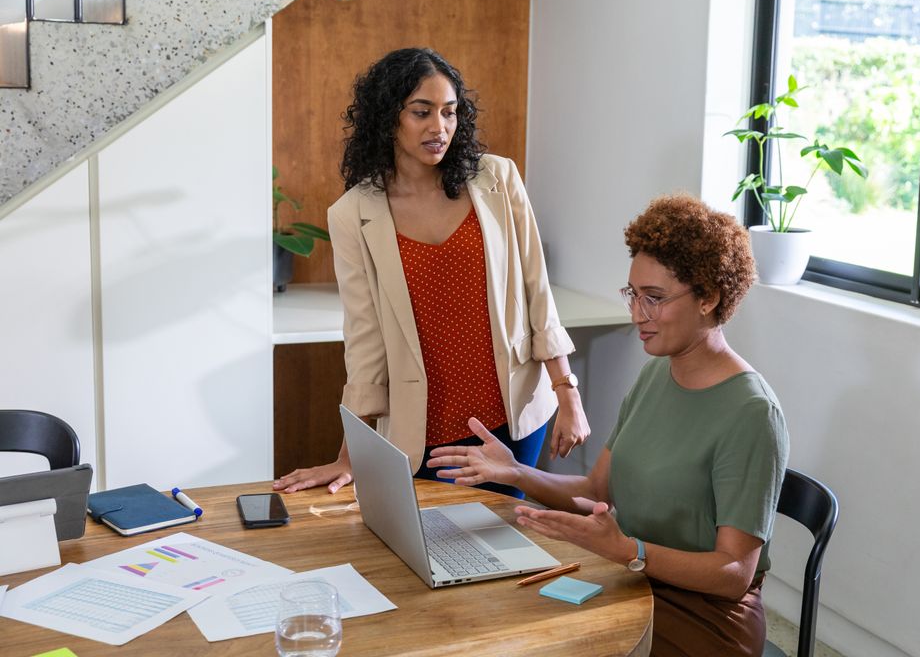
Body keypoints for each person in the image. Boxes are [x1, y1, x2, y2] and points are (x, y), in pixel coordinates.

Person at [426, 194, 789, 656]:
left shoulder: (752, 414)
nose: (637, 314)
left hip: (703, 618)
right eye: (633, 295)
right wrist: (517, 473)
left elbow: (734, 573)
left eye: (654, 299)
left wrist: (628, 551)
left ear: (710, 298)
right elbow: (599, 490)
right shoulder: (658, 372)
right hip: (632, 581)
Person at [273, 47, 589, 497]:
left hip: (512, 416)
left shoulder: (498, 179)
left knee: (502, 544)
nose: (439, 128)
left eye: (449, 112)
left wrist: (567, 393)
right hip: (422, 429)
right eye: (421, 112)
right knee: (432, 553)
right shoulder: (352, 215)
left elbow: (537, 293)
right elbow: (365, 342)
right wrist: (350, 455)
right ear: (388, 118)